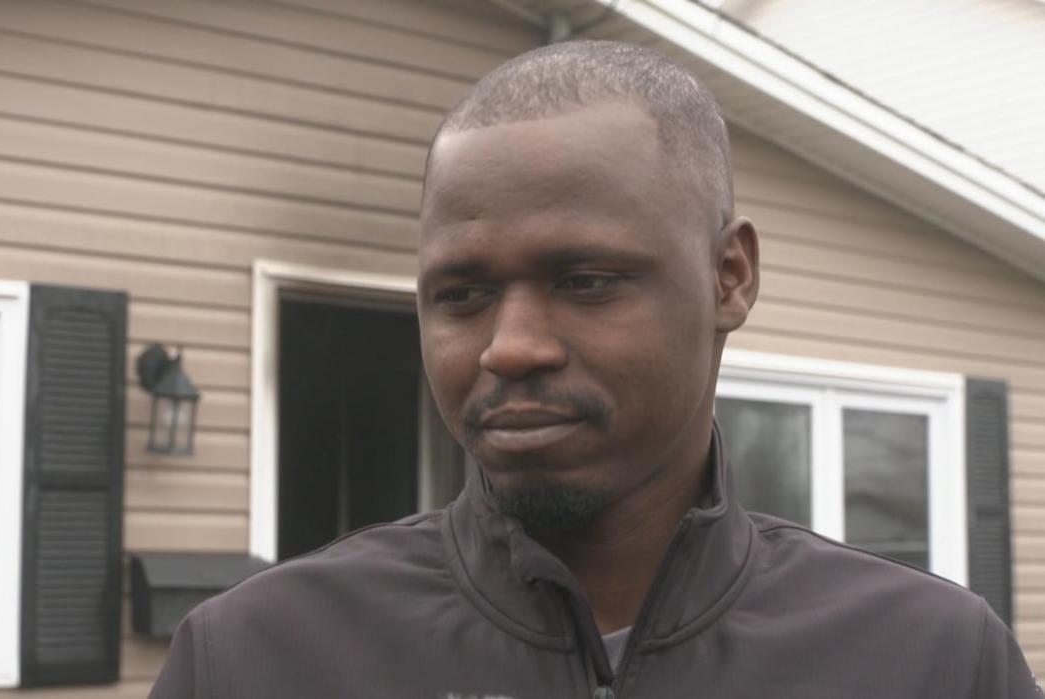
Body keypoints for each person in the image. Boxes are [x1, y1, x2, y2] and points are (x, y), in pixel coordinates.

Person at [150, 40, 1039, 698]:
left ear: (730, 276)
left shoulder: (932, 659)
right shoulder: (251, 659)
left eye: (585, 280)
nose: (510, 345)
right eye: (461, 295)